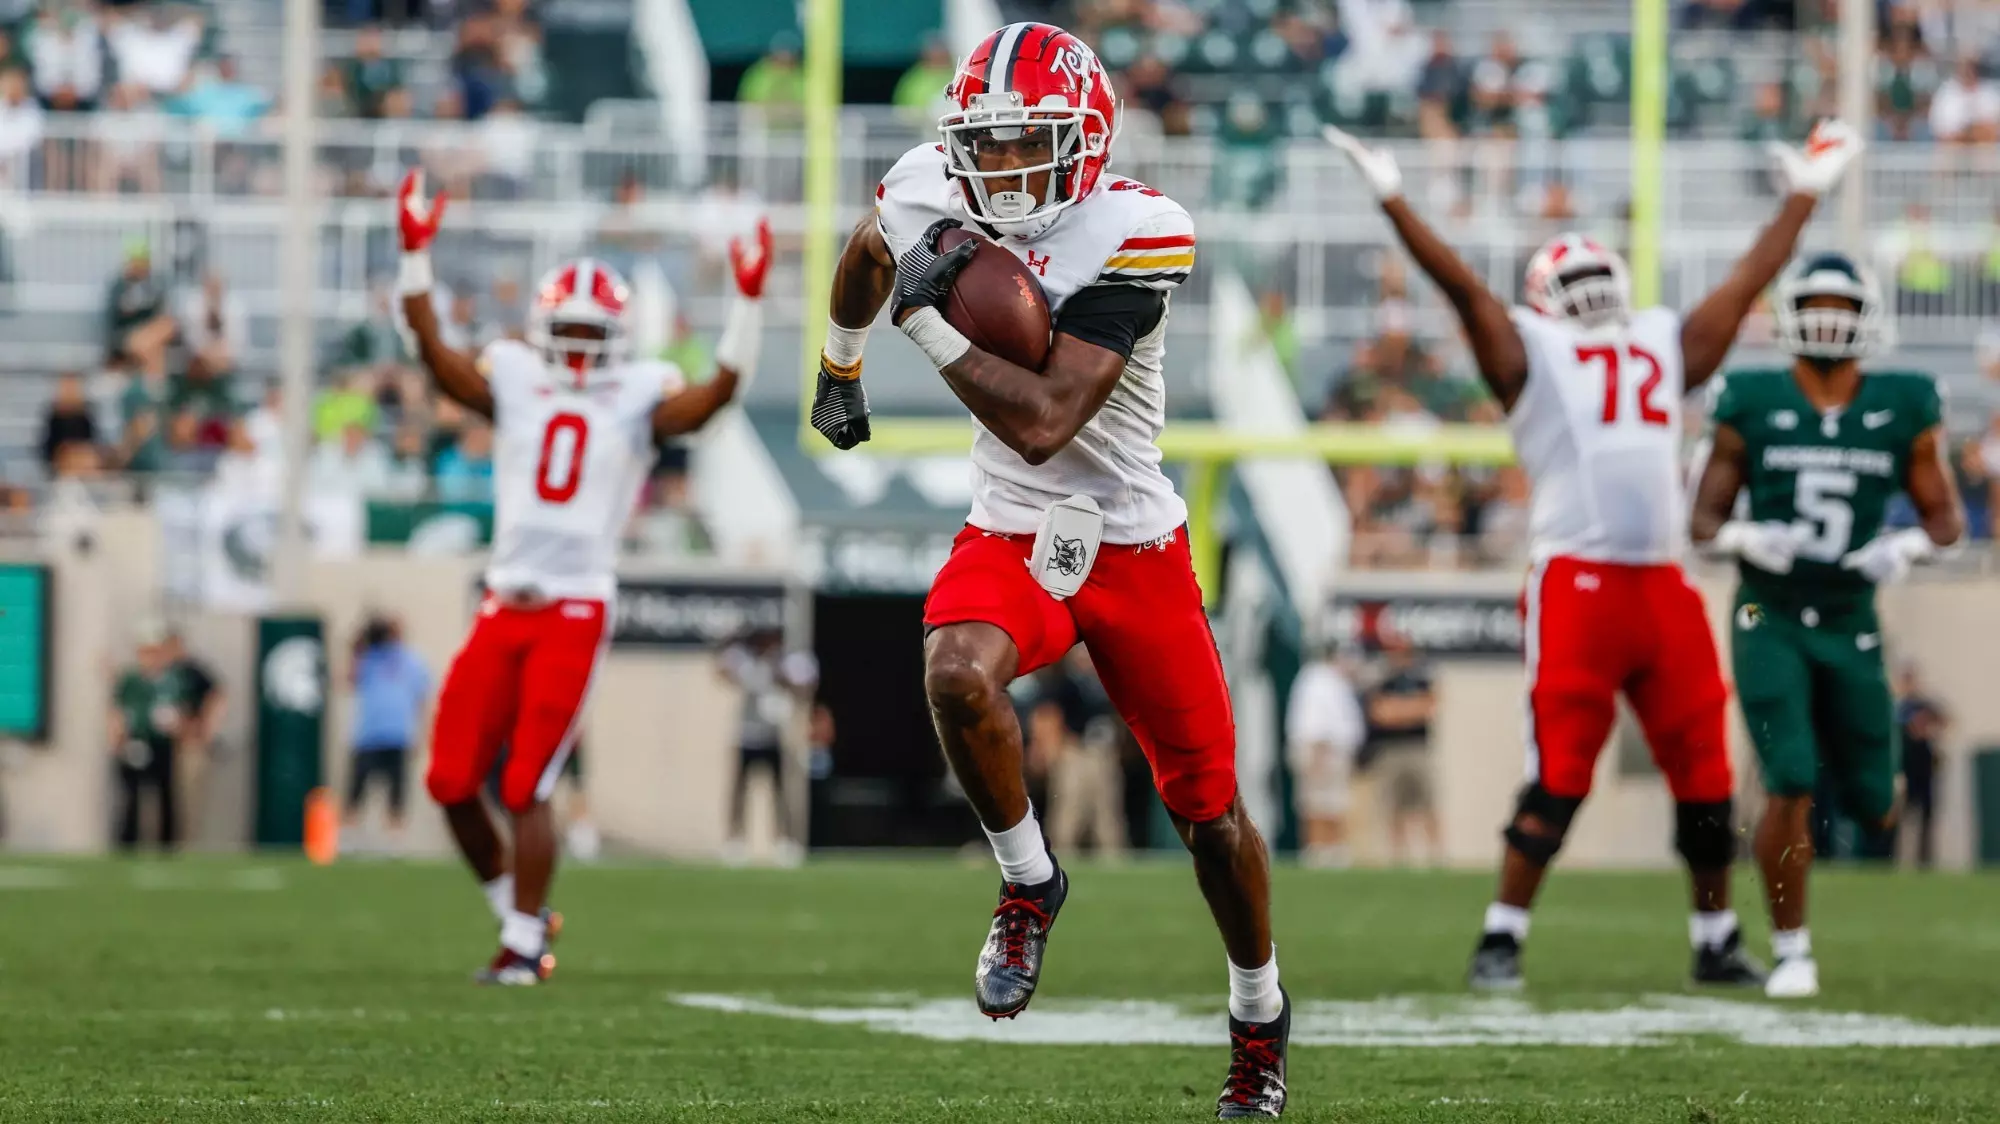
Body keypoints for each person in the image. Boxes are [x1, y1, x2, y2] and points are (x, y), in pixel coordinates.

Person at [810, 24, 1288, 1116]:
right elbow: (865, 249)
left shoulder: (1138, 230)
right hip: (1015, 529)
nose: (1005, 169)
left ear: (1087, 139)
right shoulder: (930, 183)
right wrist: (837, 366)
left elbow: (1044, 419)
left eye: (1031, 145)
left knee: (1209, 814)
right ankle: (1029, 880)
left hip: (1127, 536)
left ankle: (1258, 1013)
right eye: (989, 145)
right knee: (953, 673)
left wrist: (922, 331)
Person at [1325, 117, 1864, 994]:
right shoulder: (1533, 353)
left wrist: (1807, 192)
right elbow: (1463, 291)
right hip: (1578, 581)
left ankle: (1715, 934)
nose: (1584, 293)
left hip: (1661, 584)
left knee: (1706, 775)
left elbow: (1748, 282)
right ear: (1544, 299)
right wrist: (1394, 198)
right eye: (1568, 281)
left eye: (1590, 276)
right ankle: (1501, 934)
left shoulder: (1656, 338)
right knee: (1562, 774)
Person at [395, 167, 770, 985]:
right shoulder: (517, 376)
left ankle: (525, 946)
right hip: (505, 600)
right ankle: (516, 909)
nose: (574, 349)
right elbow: (435, 357)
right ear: (539, 328)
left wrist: (746, 305)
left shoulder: (638, 393)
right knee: (451, 778)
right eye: (564, 331)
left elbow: (709, 402)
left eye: (590, 335)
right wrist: (414, 255)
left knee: (528, 781)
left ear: (619, 339)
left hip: (575, 605)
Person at [1691, 252, 1965, 998]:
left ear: (1865, 316)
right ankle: (1793, 950)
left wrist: (1904, 546)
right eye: (1814, 303)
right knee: (1788, 777)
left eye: (1841, 305)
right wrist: (1745, 537)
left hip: (1850, 616)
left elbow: (1947, 523)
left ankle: (1859, 795)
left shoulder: (1905, 402)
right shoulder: (1749, 397)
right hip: (1765, 608)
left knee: (1878, 801)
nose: (1827, 318)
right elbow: (1702, 521)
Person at [717, 627, 818, 863]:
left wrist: (783, 678)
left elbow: (806, 684)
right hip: (747, 735)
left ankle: (785, 841)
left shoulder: (784, 662)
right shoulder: (746, 662)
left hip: (773, 736)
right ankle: (735, 841)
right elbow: (722, 672)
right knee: (739, 792)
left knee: (780, 792)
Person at [345, 613, 431, 848]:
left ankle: (394, 838)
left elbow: (421, 699)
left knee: (397, 791)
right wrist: (357, 645)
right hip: (368, 735)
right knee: (357, 788)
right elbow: (350, 680)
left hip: (398, 734)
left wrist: (420, 735)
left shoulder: (412, 661)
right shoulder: (369, 657)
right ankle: (350, 835)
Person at [1359, 631, 1442, 866]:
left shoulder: (1422, 676)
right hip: (1390, 751)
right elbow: (1380, 713)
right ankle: (1399, 859)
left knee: (1427, 805)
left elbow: (1429, 707)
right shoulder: (1381, 679)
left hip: (1417, 749)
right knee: (1395, 808)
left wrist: (1399, 710)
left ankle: (1436, 858)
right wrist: (1409, 709)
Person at [1285, 640, 1364, 867]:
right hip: (1322, 750)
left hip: (1334, 752)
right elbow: (1314, 723)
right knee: (1317, 803)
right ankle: (1318, 850)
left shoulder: (1336, 681)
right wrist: (1317, 756)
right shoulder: (1318, 679)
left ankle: (1333, 850)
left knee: (1333, 803)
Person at [110, 620, 185, 850]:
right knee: (131, 796)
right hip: (135, 742)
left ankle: (167, 847)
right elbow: (117, 711)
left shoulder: (171, 679)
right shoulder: (130, 679)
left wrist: (175, 725)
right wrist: (117, 741)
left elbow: (181, 712)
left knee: (165, 796)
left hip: (161, 743)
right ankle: (127, 844)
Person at [1894, 662, 1945, 870]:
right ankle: (1896, 860)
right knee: (1902, 817)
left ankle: (1924, 861)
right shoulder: (1899, 709)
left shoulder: (1925, 705)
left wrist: (1929, 727)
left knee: (1926, 817)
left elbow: (1944, 721)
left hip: (1925, 772)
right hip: (1907, 771)